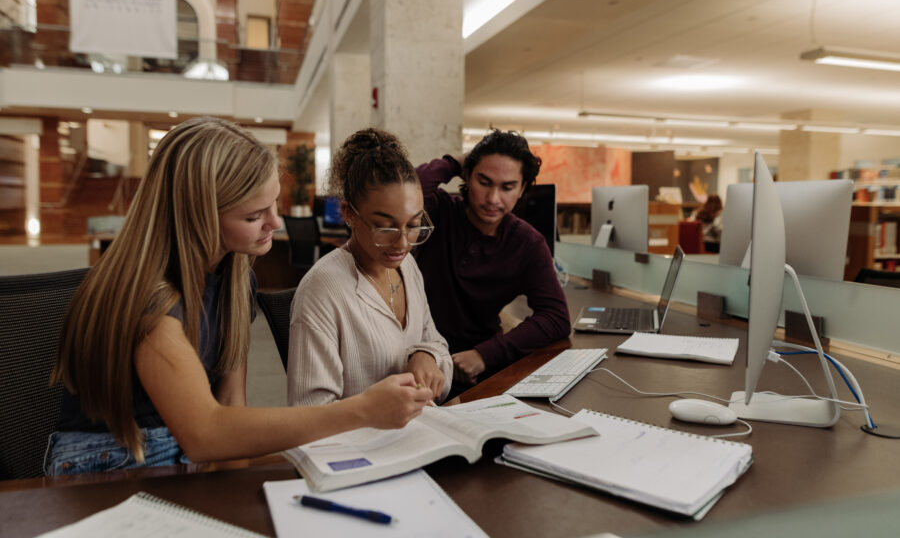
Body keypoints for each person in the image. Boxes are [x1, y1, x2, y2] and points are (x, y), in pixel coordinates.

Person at [47, 117, 432, 476]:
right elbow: (206, 433)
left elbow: (232, 411)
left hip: (186, 456)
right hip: (108, 465)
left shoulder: (235, 279)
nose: (275, 224)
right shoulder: (149, 299)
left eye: (274, 205)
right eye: (254, 216)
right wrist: (363, 410)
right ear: (197, 215)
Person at [288, 129, 452, 406]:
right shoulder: (322, 289)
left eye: (413, 225)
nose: (402, 243)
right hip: (362, 445)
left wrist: (427, 356)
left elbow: (439, 348)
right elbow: (308, 411)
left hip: (420, 432)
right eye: (384, 227)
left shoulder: (407, 267)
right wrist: (373, 408)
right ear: (348, 214)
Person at [415, 129, 571, 390]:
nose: (493, 199)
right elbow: (410, 186)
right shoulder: (440, 211)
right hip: (417, 353)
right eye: (484, 182)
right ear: (467, 176)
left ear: (522, 189)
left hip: (476, 363)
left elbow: (556, 317)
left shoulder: (527, 243)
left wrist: (485, 354)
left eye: (507, 187)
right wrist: (456, 161)